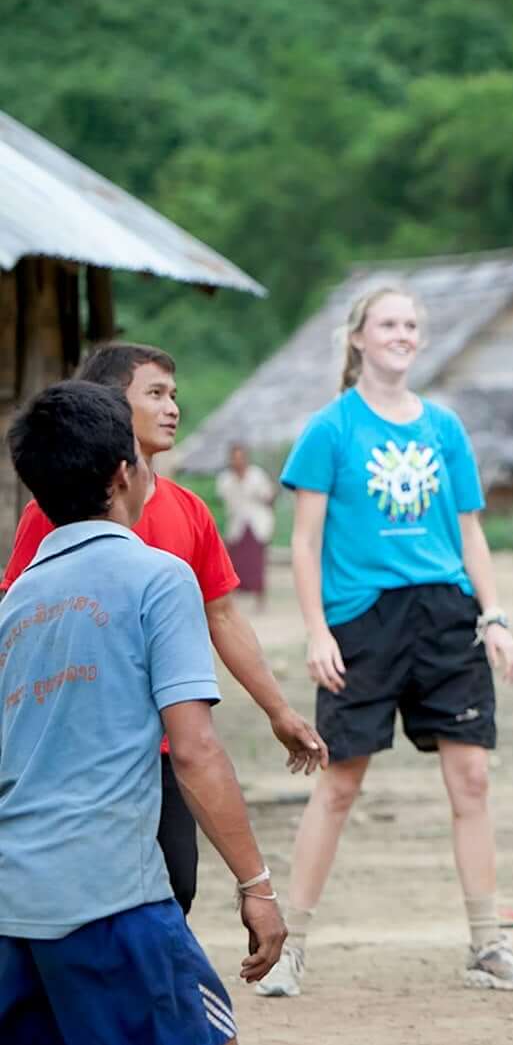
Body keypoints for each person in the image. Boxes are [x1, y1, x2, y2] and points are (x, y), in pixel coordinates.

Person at [255, 285, 513, 997]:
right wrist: (316, 630)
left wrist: (495, 615)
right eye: (388, 323)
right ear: (357, 337)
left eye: (411, 324)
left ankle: (487, 944)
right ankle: (288, 949)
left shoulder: (445, 428)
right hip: (362, 619)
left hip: (446, 614)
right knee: (340, 783)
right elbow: (304, 541)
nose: (402, 334)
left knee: (471, 779)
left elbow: (469, 531)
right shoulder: (331, 429)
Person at [0, 381, 286, 1043]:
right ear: (123, 473)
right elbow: (194, 751)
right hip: (113, 902)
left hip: (16, 909)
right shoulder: (159, 577)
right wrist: (257, 883)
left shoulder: (14, 607)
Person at [1, 343, 326, 917]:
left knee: (176, 885)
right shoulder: (55, 512)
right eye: (155, 394)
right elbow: (22, 616)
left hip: (170, 743)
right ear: (110, 408)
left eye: (174, 395)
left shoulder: (190, 511)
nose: (172, 407)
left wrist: (279, 709)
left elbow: (222, 615)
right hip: (88, 741)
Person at [216, 442, 277, 612]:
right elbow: (225, 501)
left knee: (256, 564)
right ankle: (232, 603)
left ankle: (260, 601)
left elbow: (269, 496)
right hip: (236, 525)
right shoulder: (226, 479)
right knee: (234, 563)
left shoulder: (256, 476)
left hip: (256, 524)